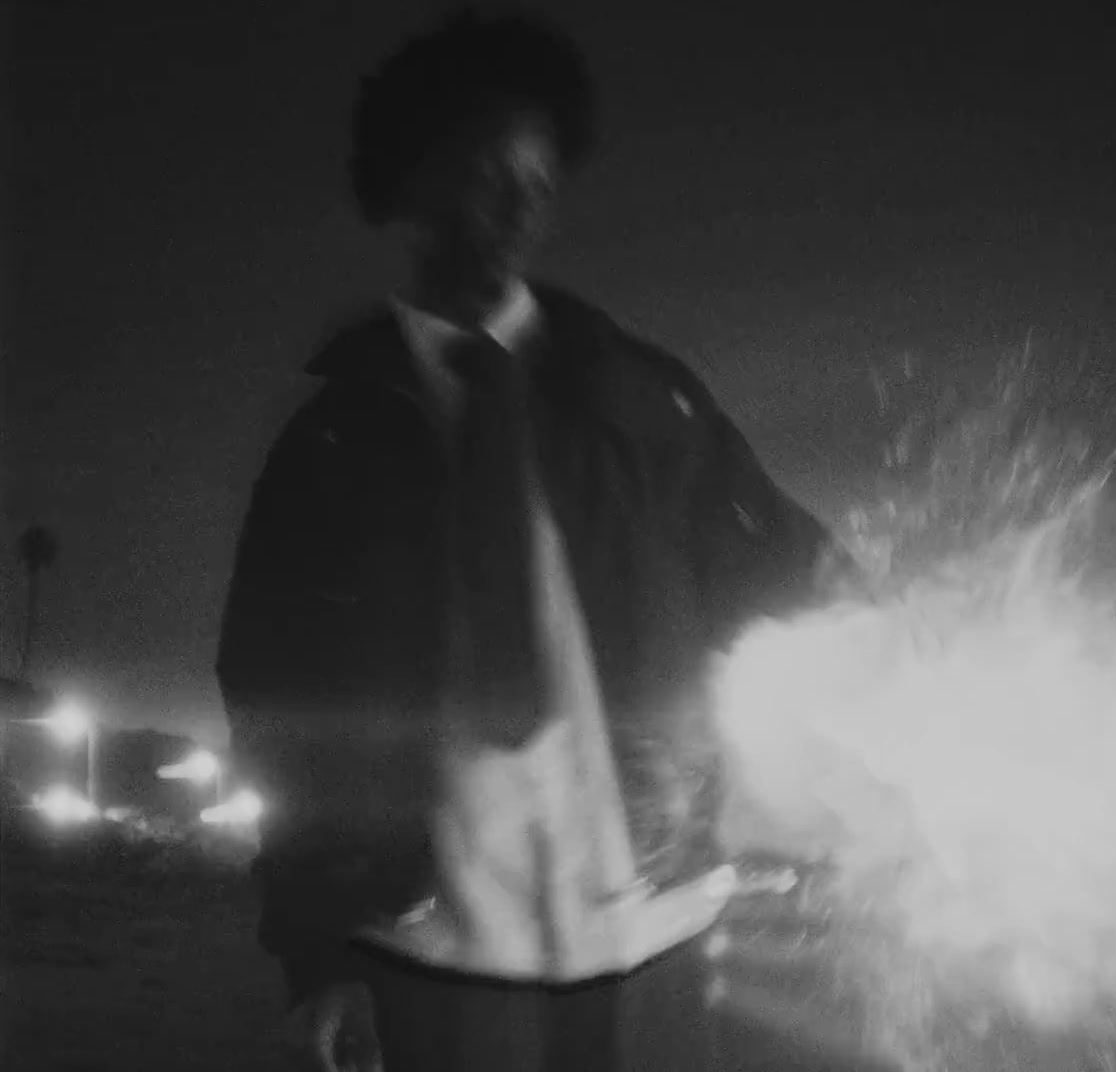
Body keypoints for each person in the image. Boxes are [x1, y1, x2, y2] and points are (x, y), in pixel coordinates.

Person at [216, 10, 842, 1071]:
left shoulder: (644, 400)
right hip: (435, 950)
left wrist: (906, 655)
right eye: (484, 170)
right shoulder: (332, 444)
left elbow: (783, 572)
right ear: (411, 183)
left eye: (541, 178)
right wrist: (315, 953)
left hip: (652, 934)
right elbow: (278, 706)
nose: (518, 202)